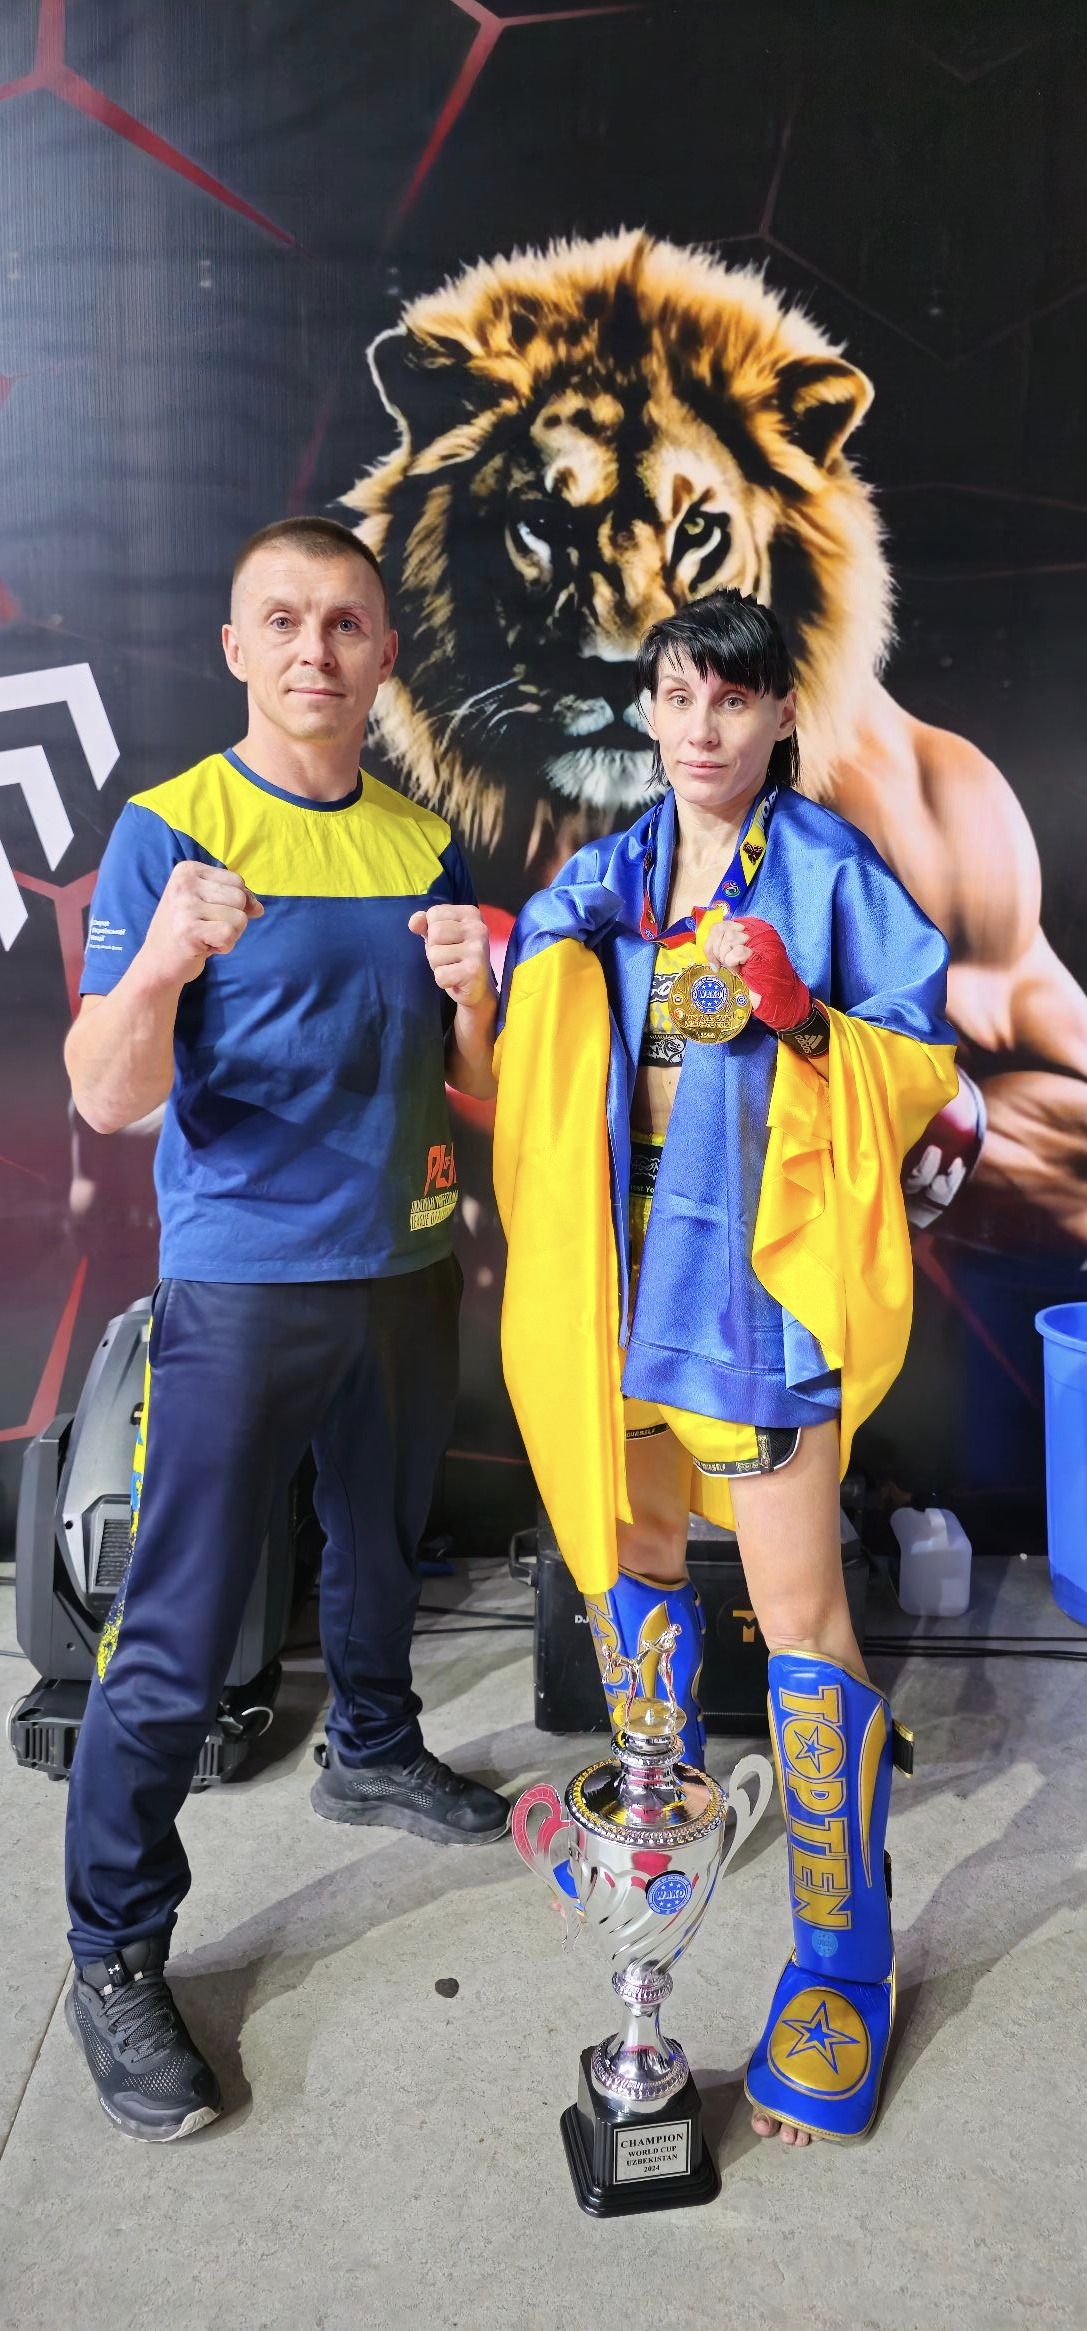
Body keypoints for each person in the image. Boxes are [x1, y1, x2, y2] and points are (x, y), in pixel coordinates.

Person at [493, 588, 957, 2146]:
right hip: (616, 1285)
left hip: (753, 1292)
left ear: (778, 716)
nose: (702, 727)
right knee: (632, 1558)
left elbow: (923, 1056)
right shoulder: (605, 876)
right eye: (679, 696)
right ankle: (665, 1835)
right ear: (651, 710)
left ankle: (841, 1965)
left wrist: (805, 1021)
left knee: (804, 1620)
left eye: (732, 700)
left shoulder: (827, 869)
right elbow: (534, 1039)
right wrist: (499, 974)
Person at [62, 515, 505, 2143]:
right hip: (244, 1281)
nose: (316, 649)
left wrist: (477, 996)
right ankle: (116, 1948)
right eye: (284, 621)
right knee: (178, 1627)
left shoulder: (425, 841)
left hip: (407, 1261)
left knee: (382, 1548)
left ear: (385, 652)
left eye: (345, 623)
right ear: (235, 647)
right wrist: (166, 962)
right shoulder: (170, 829)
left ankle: (374, 1746)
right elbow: (103, 1096)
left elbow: (475, 1092)